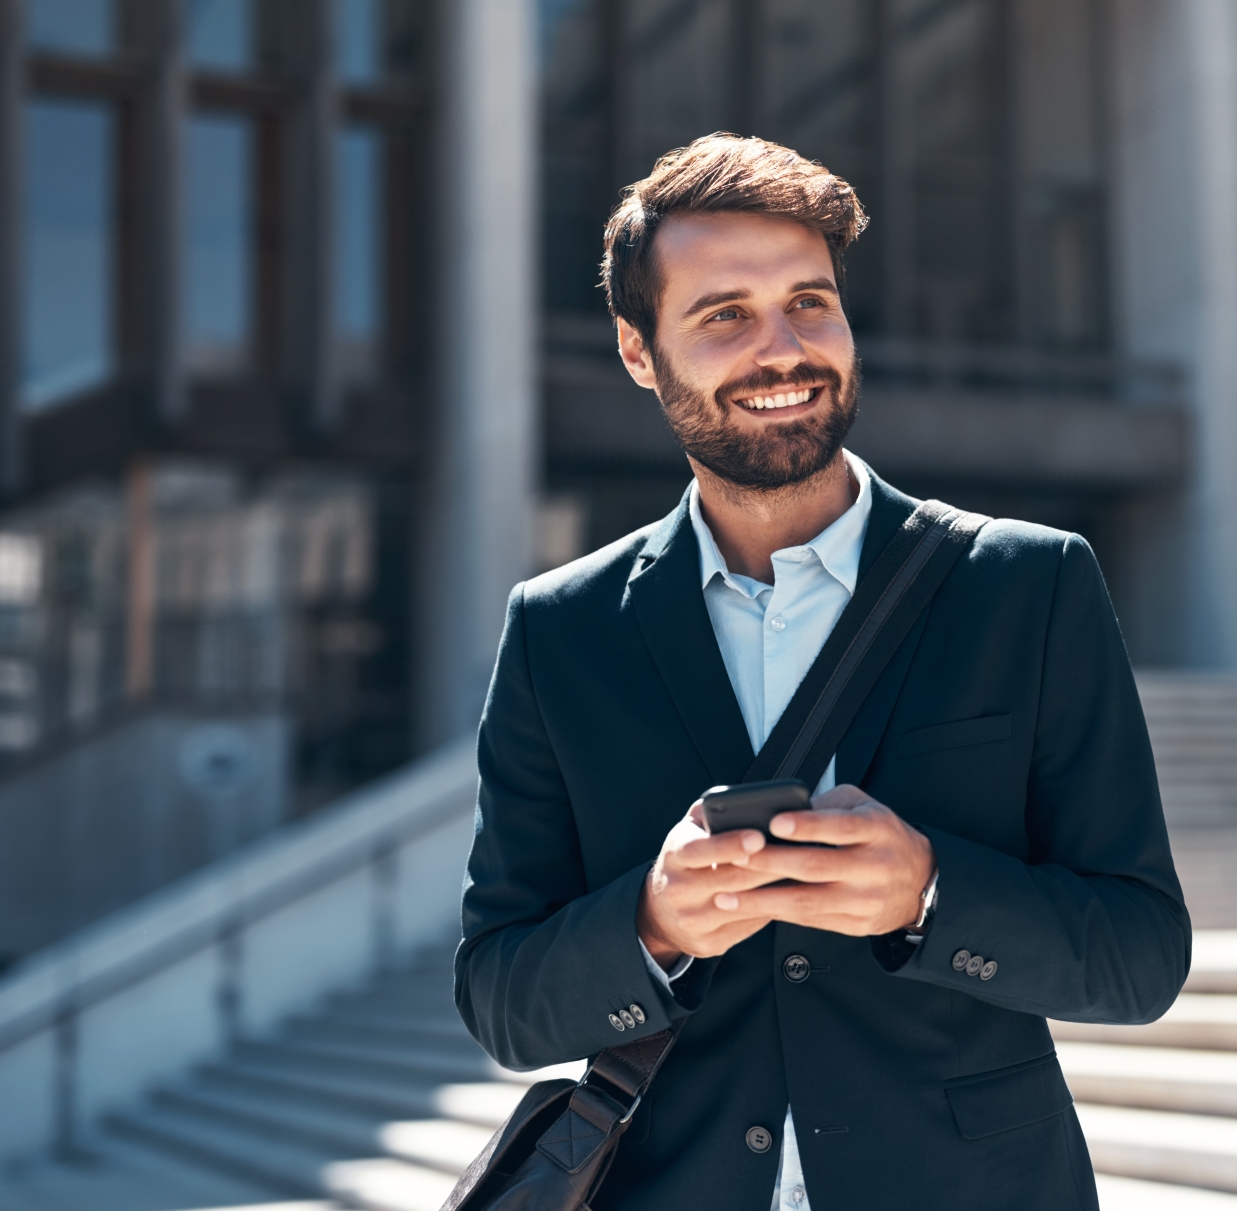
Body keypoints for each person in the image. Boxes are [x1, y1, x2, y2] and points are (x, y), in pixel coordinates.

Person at [454, 133, 1189, 1211]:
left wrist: (932, 893)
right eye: (724, 315)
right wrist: (651, 925)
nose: (784, 348)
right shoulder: (561, 630)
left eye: (810, 301)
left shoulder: (1029, 585)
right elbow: (499, 994)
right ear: (636, 349)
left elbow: (1139, 952)